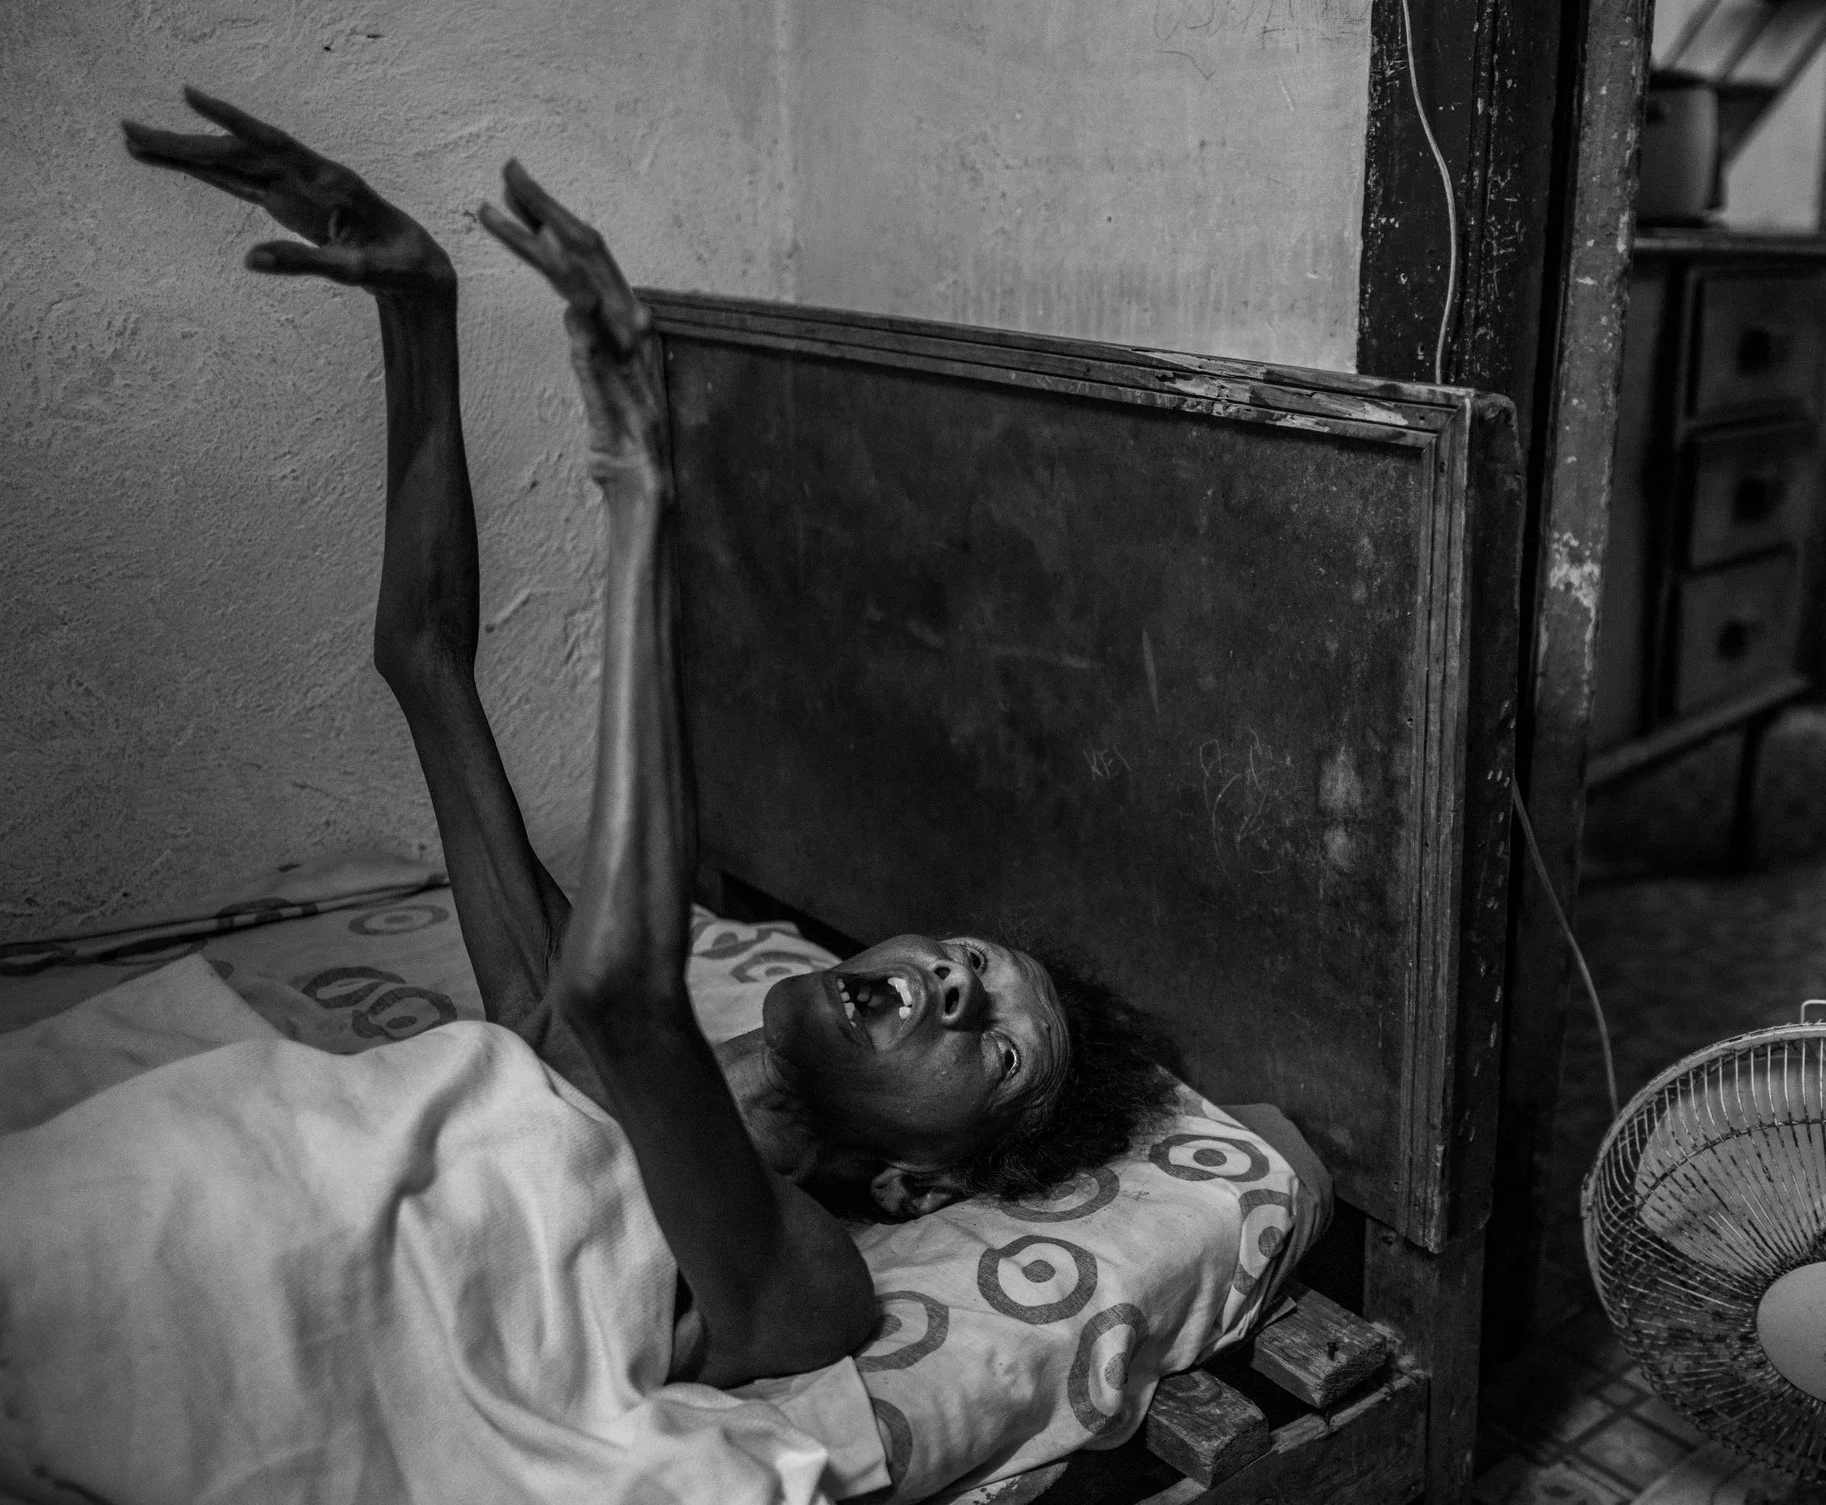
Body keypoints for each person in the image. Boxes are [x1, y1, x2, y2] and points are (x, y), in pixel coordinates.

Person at [118, 88, 1180, 1389]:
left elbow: (630, 991)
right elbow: (426, 664)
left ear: (915, 1185)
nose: (960, 987)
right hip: (164, 1200)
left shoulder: (808, 1281)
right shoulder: (550, 1029)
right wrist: (421, 310)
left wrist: (642, 499)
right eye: (970, 959)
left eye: (996, 1047)